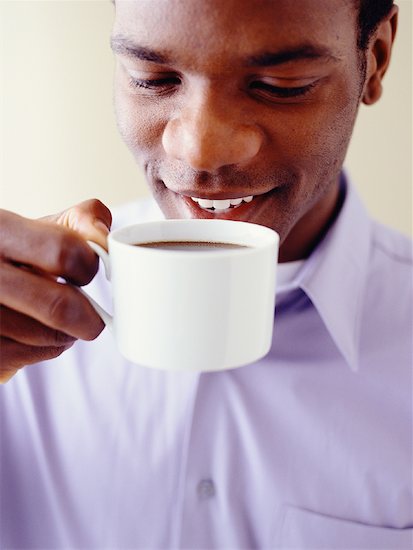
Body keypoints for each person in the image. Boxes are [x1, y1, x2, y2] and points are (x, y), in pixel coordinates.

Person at [0, 0, 412, 548]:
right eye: (152, 79)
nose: (199, 149)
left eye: (280, 84)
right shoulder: (21, 319)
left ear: (376, 58)